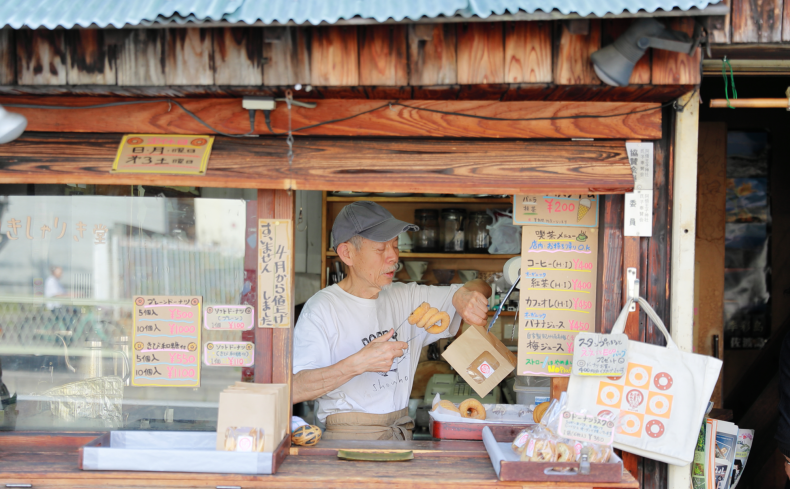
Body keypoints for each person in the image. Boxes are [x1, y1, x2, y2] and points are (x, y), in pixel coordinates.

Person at [292, 201, 491, 440]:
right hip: (346, 440)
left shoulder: (406, 296)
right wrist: (360, 363)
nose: (393, 257)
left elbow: (480, 286)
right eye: (380, 249)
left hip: (399, 435)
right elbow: (295, 388)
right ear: (347, 253)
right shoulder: (322, 308)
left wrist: (463, 296)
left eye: (395, 245)